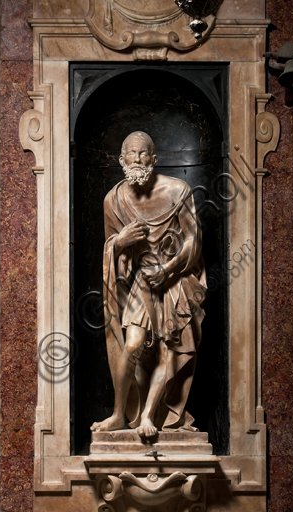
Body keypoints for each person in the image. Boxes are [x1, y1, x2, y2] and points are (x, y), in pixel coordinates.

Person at [91, 131, 207, 438]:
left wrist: (169, 269)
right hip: (142, 281)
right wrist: (118, 243)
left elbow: (194, 240)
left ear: (154, 160)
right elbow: (112, 252)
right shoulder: (113, 200)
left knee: (169, 349)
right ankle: (118, 414)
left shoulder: (177, 190)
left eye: (144, 154)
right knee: (132, 346)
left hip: (174, 282)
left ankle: (148, 417)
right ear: (121, 160)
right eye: (131, 154)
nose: (137, 159)